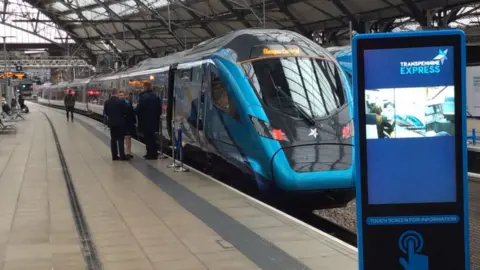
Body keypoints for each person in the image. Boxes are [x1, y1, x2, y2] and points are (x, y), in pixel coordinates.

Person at [136, 82, 161, 160]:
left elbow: (138, 109)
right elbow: (159, 110)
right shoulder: (157, 97)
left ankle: (150, 154)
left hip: (145, 122)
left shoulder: (143, 97)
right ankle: (154, 153)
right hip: (154, 121)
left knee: (148, 138)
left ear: (145, 88)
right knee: (153, 138)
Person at [103, 89, 130, 161]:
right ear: (117, 93)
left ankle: (114, 156)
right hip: (120, 123)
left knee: (113, 139)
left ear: (111, 93)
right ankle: (122, 156)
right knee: (121, 139)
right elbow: (126, 111)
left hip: (112, 123)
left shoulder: (107, 102)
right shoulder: (121, 101)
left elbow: (106, 112)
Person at [122, 92, 136, 159]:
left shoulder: (126, 103)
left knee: (128, 138)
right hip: (127, 123)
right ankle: (128, 152)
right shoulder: (127, 103)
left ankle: (128, 151)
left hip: (127, 123)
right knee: (127, 138)